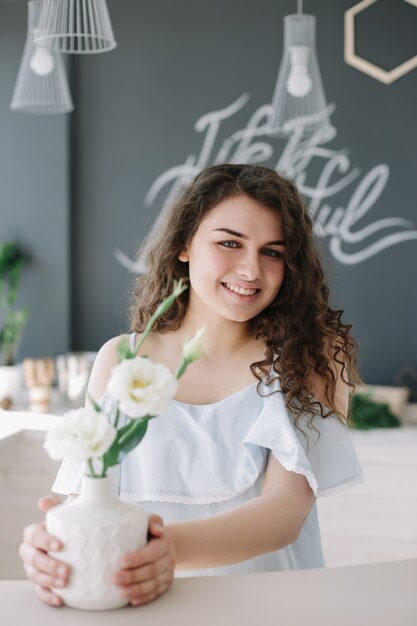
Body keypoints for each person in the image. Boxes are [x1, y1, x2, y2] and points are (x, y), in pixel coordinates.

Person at [19, 163, 363, 608]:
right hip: (140, 608)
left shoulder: (310, 359)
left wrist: (164, 549)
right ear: (184, 244)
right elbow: (87, 495)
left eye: (272, 252)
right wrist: (49, 541)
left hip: (270, 610)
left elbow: (285, 512)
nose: (251, 269)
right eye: (229, 243)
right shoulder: (122, 358)